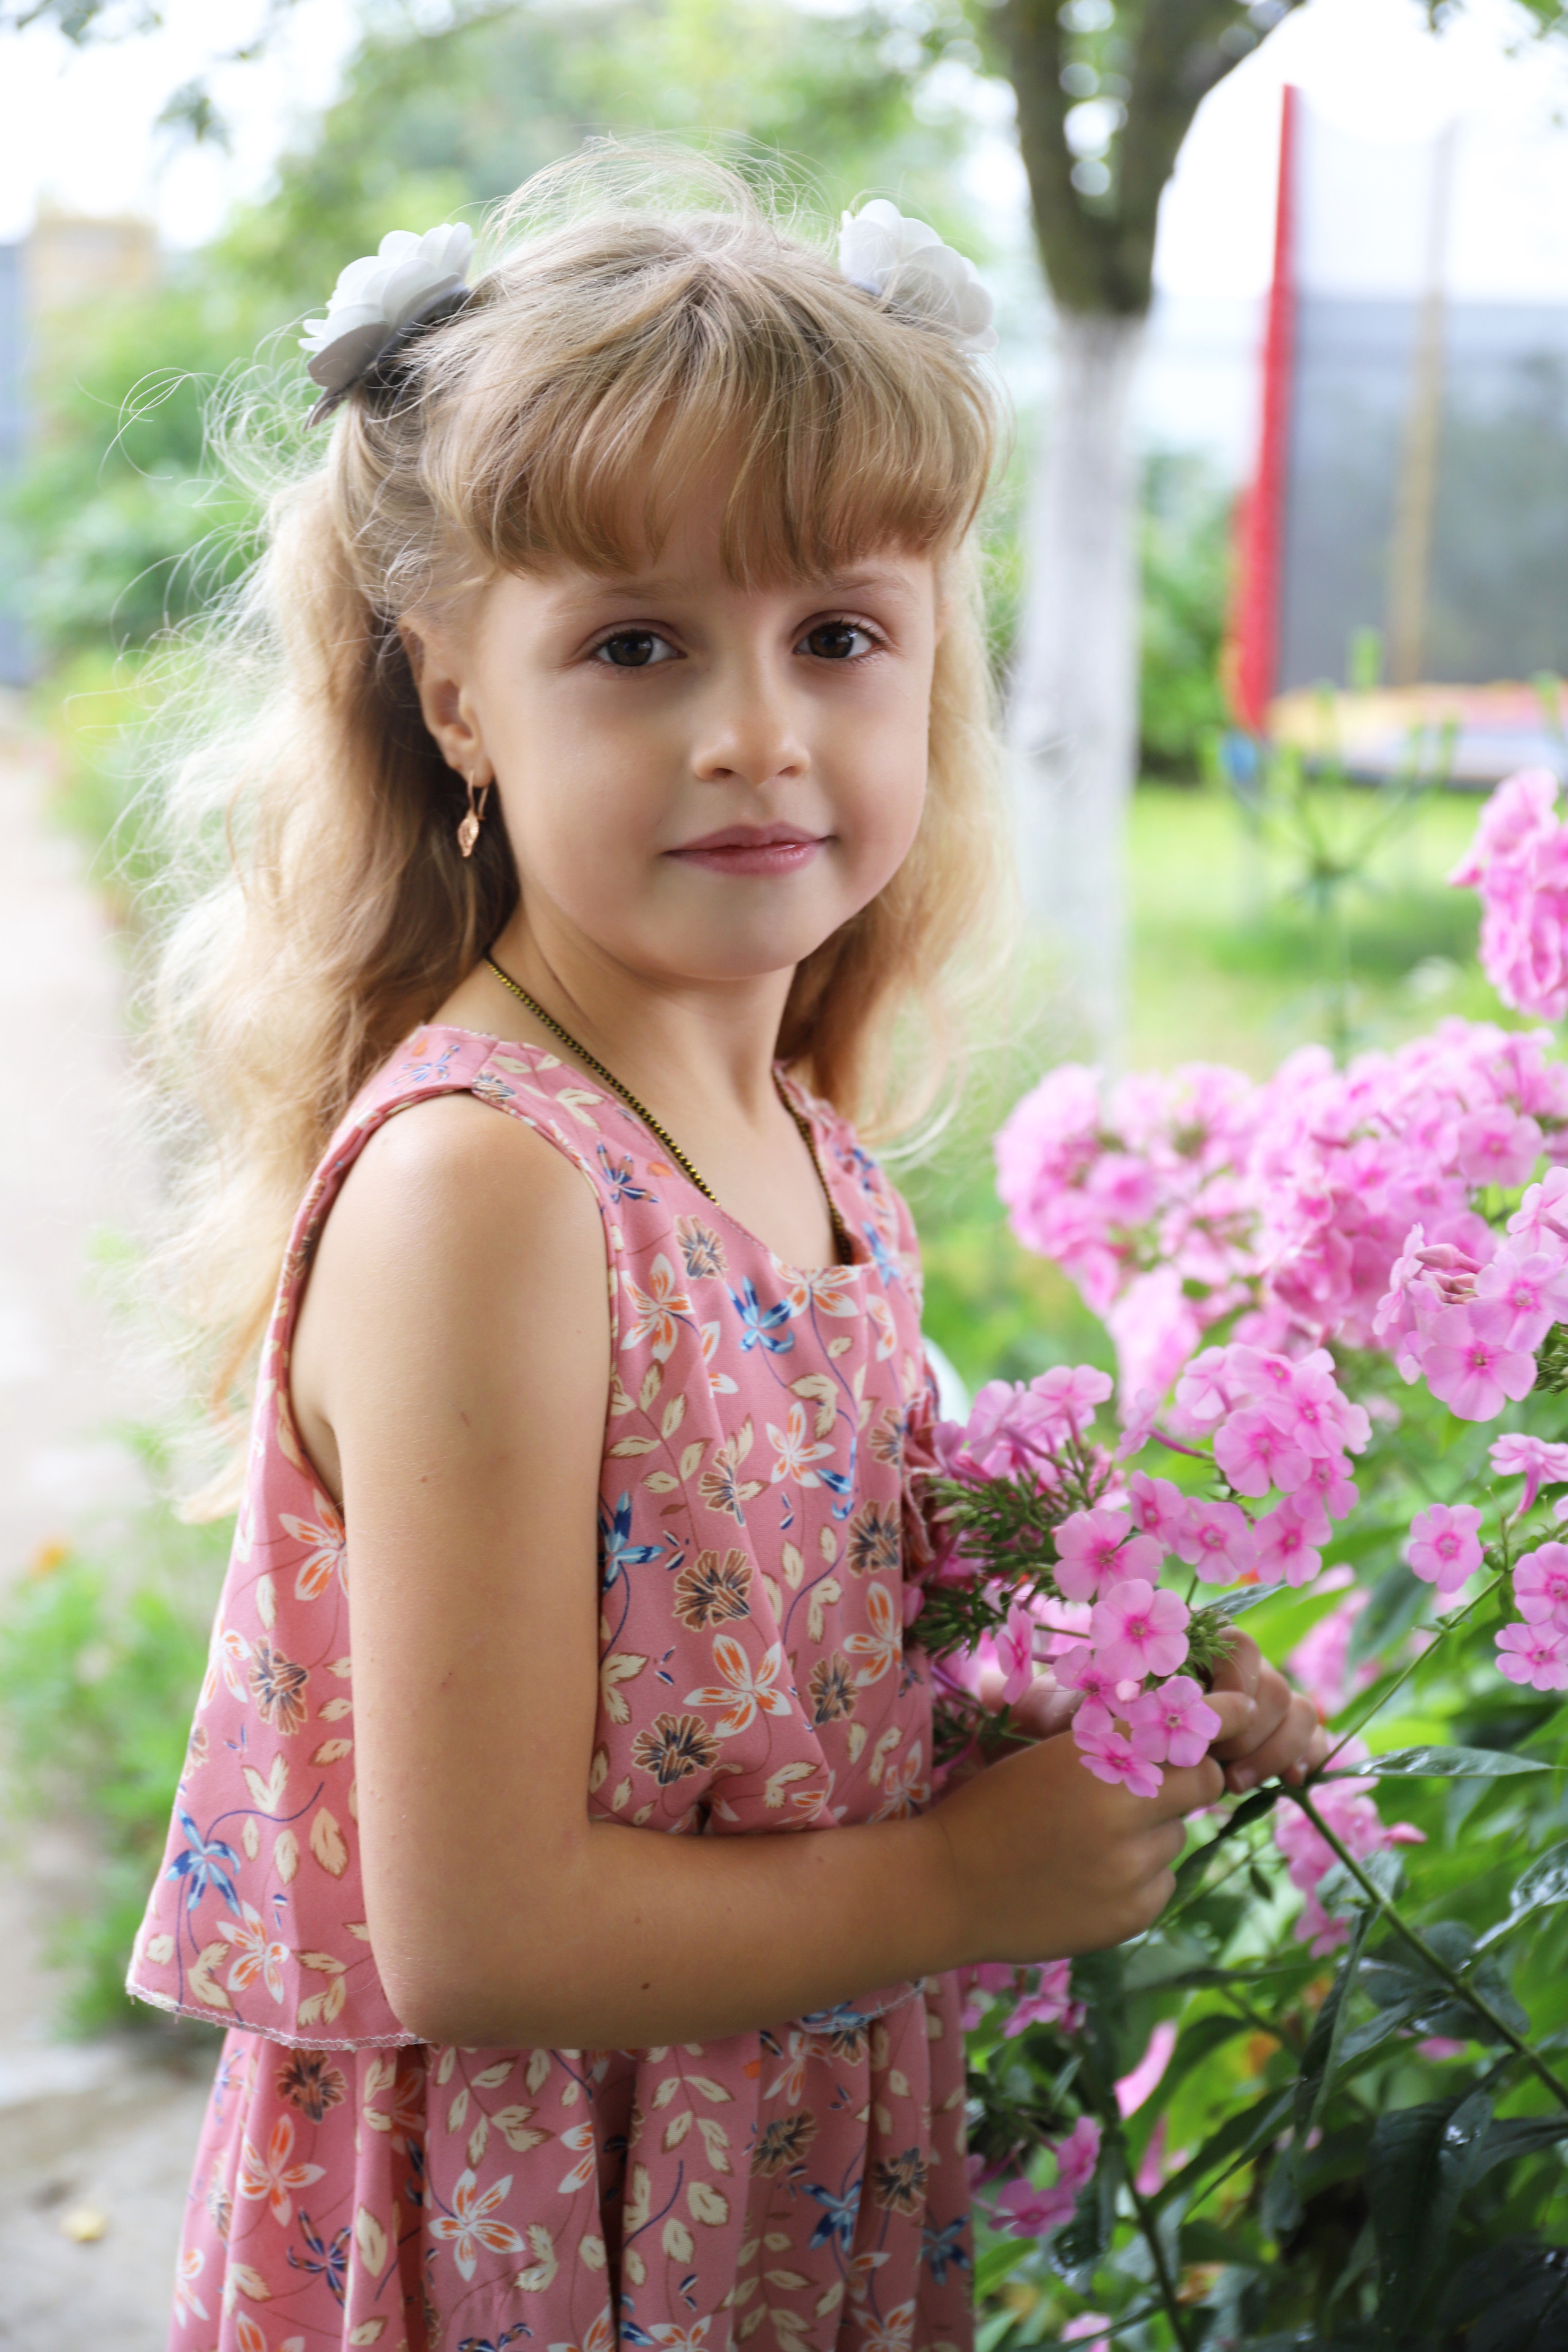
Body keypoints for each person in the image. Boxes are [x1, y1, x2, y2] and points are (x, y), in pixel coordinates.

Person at [128, 155, 1323, 2351]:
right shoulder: (491, 1190)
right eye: (636, 644)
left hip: (761, 2167)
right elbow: (476, 1933)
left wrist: (1111, 1701)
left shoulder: (797, 1140)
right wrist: (965, 1885)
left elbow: (762, 1686)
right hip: (539, 2221)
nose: (759, 728)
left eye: (838, 634)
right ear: (454, 697)